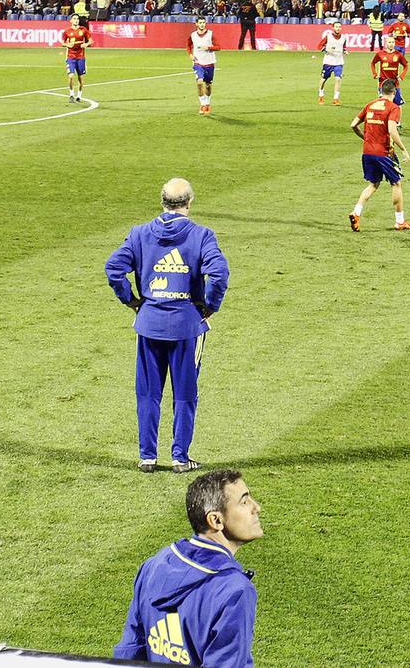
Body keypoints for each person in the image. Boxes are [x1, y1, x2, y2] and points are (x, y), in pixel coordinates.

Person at [104, 178, 230, 472]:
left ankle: (147, 456)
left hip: (149, 324)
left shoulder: (139, 234)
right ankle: (180, 457)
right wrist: (210, 306)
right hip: (186, 326)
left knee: (148, 392)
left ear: (162, 201)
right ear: (190, 202)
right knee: (185, 393)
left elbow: (113, 269)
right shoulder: (201, 235)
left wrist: (132, 301)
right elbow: (219, 274)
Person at [114, 469, 262, 668]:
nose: (256, 507)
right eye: (244, 502)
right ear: (216, 520)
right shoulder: (234, 590)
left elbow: (129, 651)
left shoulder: (153, 564)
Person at [349, 78, 410, 231]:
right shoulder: (393, 107)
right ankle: (400, 221)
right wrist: (403, 149)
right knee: (396, 183)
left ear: (381, 91)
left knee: (373, 184)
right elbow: (392, 130)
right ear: (394, 92)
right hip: (384, 153)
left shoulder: (370, 105)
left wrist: (365, 138)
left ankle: (356, 213)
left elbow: (353, 125)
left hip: (367, 152)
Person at [55, 15, 93, 103]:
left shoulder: (83, 30)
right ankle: (71, 94)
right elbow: (62, 43)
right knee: (71, 76)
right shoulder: (67, 31)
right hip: (71, 57)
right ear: (71, 21)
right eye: (74, 19)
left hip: (81, 57)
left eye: (77, 19)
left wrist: (86, 44)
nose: (76, 20)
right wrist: (68, 45)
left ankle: (79, 95)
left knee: (81, 78)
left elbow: (91, 41)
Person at [189, 17, 218, 116]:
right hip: (198, 63)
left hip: (209, 63)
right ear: (196, 24)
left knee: (208, 85)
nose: (202, 24)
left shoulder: (210, 34)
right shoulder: (193, 35)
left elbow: (218, 47)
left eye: (203, 22)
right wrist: (191, 55)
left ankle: (208, 103)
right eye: (200, 23)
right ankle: (202, 104)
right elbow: (188, 45)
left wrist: (209, 48)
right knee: (200, 82)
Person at [317, 19, 347, 105]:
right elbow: (319, 46)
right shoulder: (328, 36)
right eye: (336, 27)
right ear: (333, 28)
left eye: (339, 27)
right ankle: (321, 95)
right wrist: (326, 50)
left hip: (339, 62)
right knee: (323, 79)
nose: (338, 28)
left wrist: (345, 51)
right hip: (328, 62)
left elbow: (343, 47)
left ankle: (336, 98)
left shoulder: (344, 37)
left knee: (338, 79)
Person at [371, 38, 408, 106]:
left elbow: (406, 65)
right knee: (384, 105)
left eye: (393, 42)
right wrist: (375, 74)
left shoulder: (398, 54)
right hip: (383, 82)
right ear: (386, 43)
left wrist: (401, 76)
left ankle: (397, 116)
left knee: (397, 105)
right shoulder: (380, 54)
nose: (391, 44)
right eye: (389, 42)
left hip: (395, 83)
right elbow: (372, 63)